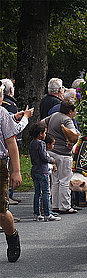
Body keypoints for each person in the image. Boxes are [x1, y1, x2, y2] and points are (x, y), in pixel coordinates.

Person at [43, 100, 79, 214]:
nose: (75, 113)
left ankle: (55, 205)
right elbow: (73, 134)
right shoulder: (67, 120)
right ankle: (65, 206)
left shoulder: (54, 116)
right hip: (64, 154)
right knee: (65, 180)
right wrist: (72, 141)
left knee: (55, 180)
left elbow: (41, 123)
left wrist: (47, 137)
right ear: (70, 111)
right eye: (74, 110)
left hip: (52, 152)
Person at [0, 83, 22, 262]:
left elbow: (11, 143)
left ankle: (12, 235)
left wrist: (16, 171)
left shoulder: (3, 114)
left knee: (0, 211)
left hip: (0, 164)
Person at [29, 122, 60, 222]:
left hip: (34, 170)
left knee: (37, 193)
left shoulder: (32, 143)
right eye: (45, 133)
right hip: (42, 171)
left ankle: (36, 213)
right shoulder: (41, 143)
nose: (45, 135)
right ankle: (47, 213)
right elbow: (44, 157)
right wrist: (51, 159)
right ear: (40, 134)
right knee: (46, 192)